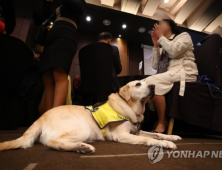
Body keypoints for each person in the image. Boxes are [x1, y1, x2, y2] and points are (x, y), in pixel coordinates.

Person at [145, 19, 198, 133]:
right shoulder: (164, 45)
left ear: (170, 26)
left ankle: (162, 121)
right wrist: (155, 46)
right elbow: (155, 66)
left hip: (185, 71)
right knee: (143, 83)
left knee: (151, 81)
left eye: (161, 24)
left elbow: (174, 51)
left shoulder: (184, 36)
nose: (158, 26)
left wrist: (161, 37)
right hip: (172, 72)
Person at [40, 0, 86, 112]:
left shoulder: (80, 2)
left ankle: (55, 117)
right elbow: (45, 16)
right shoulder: (60, 6)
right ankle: (47, 116)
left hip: (66, 35)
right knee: (47, 76)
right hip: (52, 36)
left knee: (59, 73)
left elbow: (76, 5)